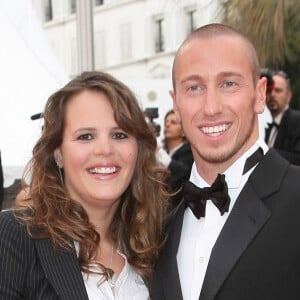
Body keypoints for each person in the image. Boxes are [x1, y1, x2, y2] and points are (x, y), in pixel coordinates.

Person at [151, 23, 300, 300]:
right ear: (176, 103)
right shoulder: (159, 227)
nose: (211, 108)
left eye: (229, 84)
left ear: (259, 95)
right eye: (194, 87)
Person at [0, 71, 168, 299]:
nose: (105, 150)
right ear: (58, 153)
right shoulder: (16, 235)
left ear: (138, 150)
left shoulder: (155, 244)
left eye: (119, 135)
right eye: (86, 136)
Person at [156, 109, 193, 205]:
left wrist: (158, 151)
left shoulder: (189, 151)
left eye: (173, 122)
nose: (167, 125)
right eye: (166, 122)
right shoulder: (165, 154)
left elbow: (183, 173)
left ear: (184, 131)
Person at [265, 70, 300, 165]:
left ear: (288, 96)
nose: (272, 95)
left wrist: (265, 152)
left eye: (278, 90)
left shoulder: (297, 120)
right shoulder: (268, 125)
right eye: (269, 90)